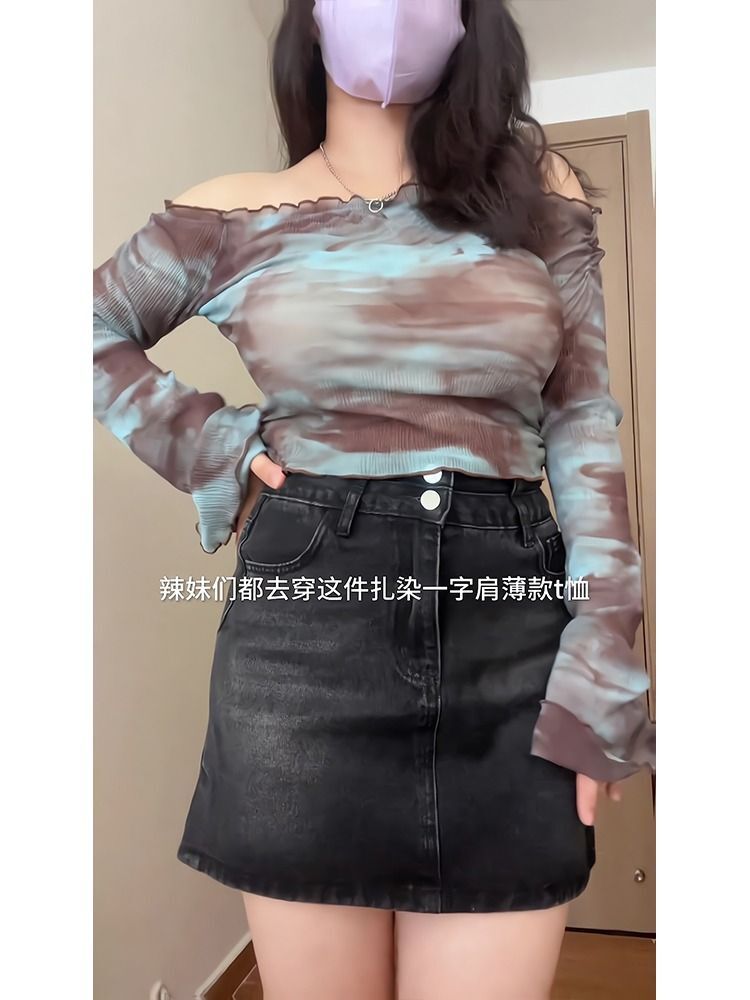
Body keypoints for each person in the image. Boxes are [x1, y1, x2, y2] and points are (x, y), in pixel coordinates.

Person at [93, 1, 656, 997]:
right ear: (310, 18)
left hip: (511, 631)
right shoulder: (229, 213)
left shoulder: (539, 194)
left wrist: (608, 644)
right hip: (302, 644)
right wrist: (209, 442)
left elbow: (581, 419)